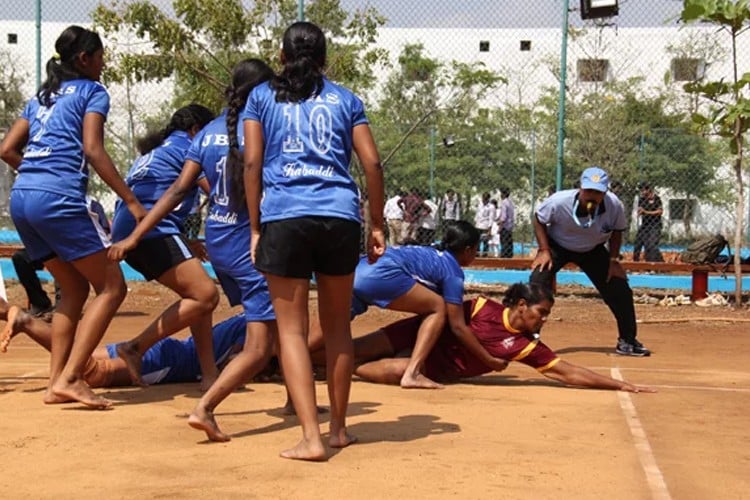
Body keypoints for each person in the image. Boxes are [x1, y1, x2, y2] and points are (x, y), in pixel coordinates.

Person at [114, 59, 281, 442]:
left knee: (202, 299)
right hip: (223, 238)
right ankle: (140, 351)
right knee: (217, 304)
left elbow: (175, 191)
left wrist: (137, 235)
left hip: (184, 232)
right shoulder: (244, 132)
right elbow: (218, 187)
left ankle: (209, 373)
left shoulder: (195, 137)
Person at [242, 21, 385, 461]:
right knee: (339, 327)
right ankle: (339, 430)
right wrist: (376, 222)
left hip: (284, 216)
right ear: (325, 60)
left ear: (281, 56)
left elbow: (251, 163)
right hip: (339, 216)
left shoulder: (261, 97)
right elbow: (372, 163)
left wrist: (254, 226)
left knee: (292, 330)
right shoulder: (346, 99)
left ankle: (311, 437)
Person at [0, 25, 146, 408]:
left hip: (23, 198)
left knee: (75, 290)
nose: (102, 64)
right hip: (58, 199)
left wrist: (35, 173)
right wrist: (130, 201)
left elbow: (6, 149)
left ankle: (55, 383)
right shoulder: (92, 92)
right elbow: (94, 150)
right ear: (84, 59)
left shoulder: (41, 98)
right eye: (99, 56)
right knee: (113, 288)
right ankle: (71, 376)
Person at [334, 283, 654, 393]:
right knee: (353, 346)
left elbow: (567, 372)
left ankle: (342, 370)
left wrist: (620, 384)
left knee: (392, 370)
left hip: (436, 367)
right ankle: (290, 362)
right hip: (415, 333)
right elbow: (447, 316)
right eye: (541, 312)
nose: (544, 319)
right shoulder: (482, 307)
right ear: (521, 306)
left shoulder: (526, 346)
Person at [108, 104, 220, 390]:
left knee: (196, 297)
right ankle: (135, 347)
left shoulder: (156, 152)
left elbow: (157, 191)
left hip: (129, 227)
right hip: (151, 229)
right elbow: (217, 191)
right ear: (196, 129)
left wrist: (185, 240)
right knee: (205, 294)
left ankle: (209, 374)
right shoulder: (189, 148)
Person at [344, 220, 509, 389]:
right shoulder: (453, 272)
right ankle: (413, 373)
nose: (475, 254)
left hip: (357, 270)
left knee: (332, 328)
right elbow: (457, 326)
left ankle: (317, 361)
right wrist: (488, 359)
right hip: (381, 276)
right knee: (437, 307)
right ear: (467, 250)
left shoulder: (432, 251)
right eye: (475, 249)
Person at [530, 166, 650, 357]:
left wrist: (613, 260)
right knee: (537, 282)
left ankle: (627, 341)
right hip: (557, 246)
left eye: (598, 192)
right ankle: (528, 338)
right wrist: (544, 250)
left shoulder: (614, 205)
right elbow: (538, 219)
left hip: (593, 249)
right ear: (580, 189)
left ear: (605, 192)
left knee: (619, 288)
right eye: (589, 191)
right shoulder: (559, 201)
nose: (592, 196)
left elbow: (617, 231)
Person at [0, 297, 248, 388]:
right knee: (95, 375)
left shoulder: (248, 319)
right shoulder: (260, 328)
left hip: (172, 348)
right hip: (175, 363)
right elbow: (237, 361)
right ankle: (25, 322)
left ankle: (7, 311)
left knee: (75, 355)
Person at [11, 248, 56, 318]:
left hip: (64, 248)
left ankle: (63, 308)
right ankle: (40, 303)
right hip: (44, 247)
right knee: (20, 257)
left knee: (63, 257)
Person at [632, 182, 664, 263]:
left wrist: (646, 212)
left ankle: (652, 264)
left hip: (655, 225)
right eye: (641, 190)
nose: (642, 192)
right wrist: (640, 212)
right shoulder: (642, 199)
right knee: (638, 242)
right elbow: (640, 210)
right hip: (645, 224)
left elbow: (660, 211)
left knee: (651, 245)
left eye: (643, 190)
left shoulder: (657, 199)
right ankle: (635, 262)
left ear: (648, 189)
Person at [474, 192, 494, 256]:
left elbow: (491, 218)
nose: (484, 200)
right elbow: (477, 214)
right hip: (478, 225)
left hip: (485, 226)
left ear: (488, 199)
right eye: (483, 198)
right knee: (477, 241)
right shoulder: (480, 205)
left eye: (485, 199)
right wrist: (475, 223)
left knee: (485, 241)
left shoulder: (491, 207)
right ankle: (477, 254)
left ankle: (485, 255)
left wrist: (489, 229)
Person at [498, 187, 515, 258]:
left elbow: (503, 218)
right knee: (509, 243)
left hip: (505, 227)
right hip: (510, 226)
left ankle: (503, 259)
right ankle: (509, 258)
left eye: (501, 193)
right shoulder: (510, 202)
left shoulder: (504, 202)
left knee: (504, 243)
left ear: (503, 194)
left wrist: (499, 227)